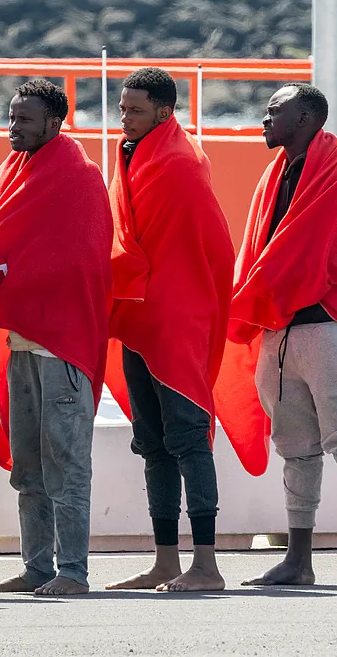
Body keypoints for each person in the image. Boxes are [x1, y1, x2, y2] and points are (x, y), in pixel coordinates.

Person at [0, 80, 113, 596]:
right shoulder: (17, 170)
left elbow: (80, 263)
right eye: (11, 117)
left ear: (54, 123)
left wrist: (5, 277)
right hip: (22, 342)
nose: (13, 127)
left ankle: (73, 571)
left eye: (25, 120)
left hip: (62, 344)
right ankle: (37, 567)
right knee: (29, 462)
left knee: (66, 460)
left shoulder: (78, 177)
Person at [217, 84, 337, 588]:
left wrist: (307, 278)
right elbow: (260, 254)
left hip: (325, 327)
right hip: (279, 332)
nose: (265, 117)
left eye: (277, 110)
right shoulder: (273, 178)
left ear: (308, 118)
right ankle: (299, 561)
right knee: (294, 447)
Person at [103, 67, 238, 593]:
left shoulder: (181, 164)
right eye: (122, 109)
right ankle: (165, 560)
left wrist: (182, 301)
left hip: (176, 319)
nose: (125, 117)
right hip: (140, 318)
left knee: (187, 437)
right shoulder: (131, 155)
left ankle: (207, 565)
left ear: (164, 111)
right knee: (152, 443)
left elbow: (211, 248)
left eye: (135, 110)